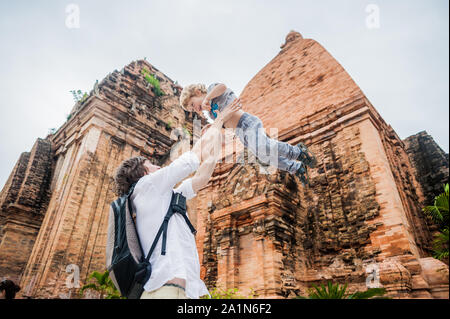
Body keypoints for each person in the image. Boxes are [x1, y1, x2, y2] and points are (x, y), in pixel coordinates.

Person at [112, 99, 241, 299]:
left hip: (181, 290)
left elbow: (201, 178)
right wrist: (220, 120)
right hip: (166, 290)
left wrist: (215, 146)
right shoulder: (147, 186)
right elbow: (194, 156)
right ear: (143, 173)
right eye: (152, 165)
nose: (159, 167)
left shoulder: (162, 198)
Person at [179, 83, 317, 185]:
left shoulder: (212, 91)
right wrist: (214, 126)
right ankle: (296, 167)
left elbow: (222, 87)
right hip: (241, 134)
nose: (193, 109)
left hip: (247, 123)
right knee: (264, 156)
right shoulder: (210, 114)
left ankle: (298, 152)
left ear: (197, 92)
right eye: (191, 109)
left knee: (262, 146)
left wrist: (207, 98)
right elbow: (226, 123)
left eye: (192, 104)